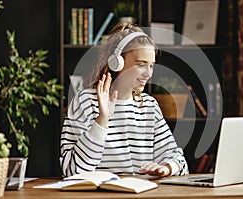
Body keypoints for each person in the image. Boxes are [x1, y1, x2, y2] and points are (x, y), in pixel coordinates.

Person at [60, 22, 189, 177]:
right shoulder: (85, 102)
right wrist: (102, 121)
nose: (148, 74)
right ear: (117, 63)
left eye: (151, 66)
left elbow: (178, 160)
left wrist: (166, 168)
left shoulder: (149, 106)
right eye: (141, 65)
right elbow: (72, 172)